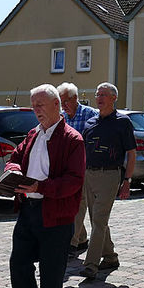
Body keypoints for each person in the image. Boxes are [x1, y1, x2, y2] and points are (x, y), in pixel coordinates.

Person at [6, 84, 85, 288]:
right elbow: (15, 157)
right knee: (19, 264)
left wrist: (42, 186)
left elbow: (74, 181)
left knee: (51, 272)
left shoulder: (73, 139)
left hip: (56, 214)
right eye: (33, 105)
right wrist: (12, 169)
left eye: (40, 104)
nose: (36, 109)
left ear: (56, 105)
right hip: (28, 210)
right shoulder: (32, 134)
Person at [79, 82, 136, 279]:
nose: (99, 98)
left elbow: (131, 153)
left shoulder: (123, 122)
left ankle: (91, 264)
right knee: (96, 220)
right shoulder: (90, 123)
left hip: (110, 175)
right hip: (89, 174)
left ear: (114, 98)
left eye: (104, 94)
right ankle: (110, 257)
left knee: (99, 220)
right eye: (97, 94)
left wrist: (127, 180)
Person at [59, 82, 97, 255]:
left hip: (85, 168)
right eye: (61, 102)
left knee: (78, 204)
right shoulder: (62, 118)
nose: (64, 105)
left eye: (66, 101)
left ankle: (70, 243)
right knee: (71, 203)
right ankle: (81, 239)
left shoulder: (91, 115)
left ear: (75, 98)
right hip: (66, 169)